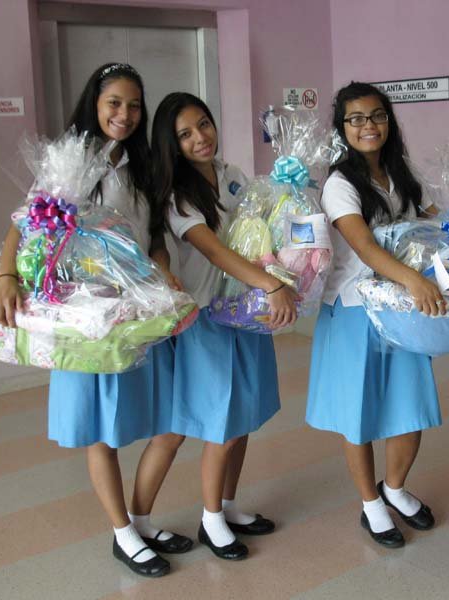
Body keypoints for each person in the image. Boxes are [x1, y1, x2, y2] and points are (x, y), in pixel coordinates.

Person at [0, 63, 191, 577]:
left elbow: (154, 236)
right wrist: (6, 275)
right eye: (114, 103)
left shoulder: (143, 165)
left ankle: (140, 522)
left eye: (134, 105)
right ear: (94, 104)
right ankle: (123, 534)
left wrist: (162, 272)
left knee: (169, 422)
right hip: (88, 317)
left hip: (138, 312)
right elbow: (24, 224)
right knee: (102, 428)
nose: (125, 115)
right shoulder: (69, 163)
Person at [150, 92, 297, 560]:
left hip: (246, 310)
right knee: (222, 420)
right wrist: (271, 284)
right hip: (208, 316)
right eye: (185, 134)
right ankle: (211, 519)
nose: (200, 137)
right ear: (171, 144)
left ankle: (229, 506)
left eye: (204, 124)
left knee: (245, 414)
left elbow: (259, 228)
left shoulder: (232, 174)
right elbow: (213, 250)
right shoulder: (176, 195)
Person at [306, 82, 445, 549]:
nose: (369, 126)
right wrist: (414, 280)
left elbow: (433, 223)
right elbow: (363, 246)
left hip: (402, 310)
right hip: (354, 310)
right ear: (342, 128)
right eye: (357, 118)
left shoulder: (403, 175)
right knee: (358, 413)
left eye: (377, 115)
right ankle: (371, 504)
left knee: (410, 407)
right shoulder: (339, 185)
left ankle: (396, 489)